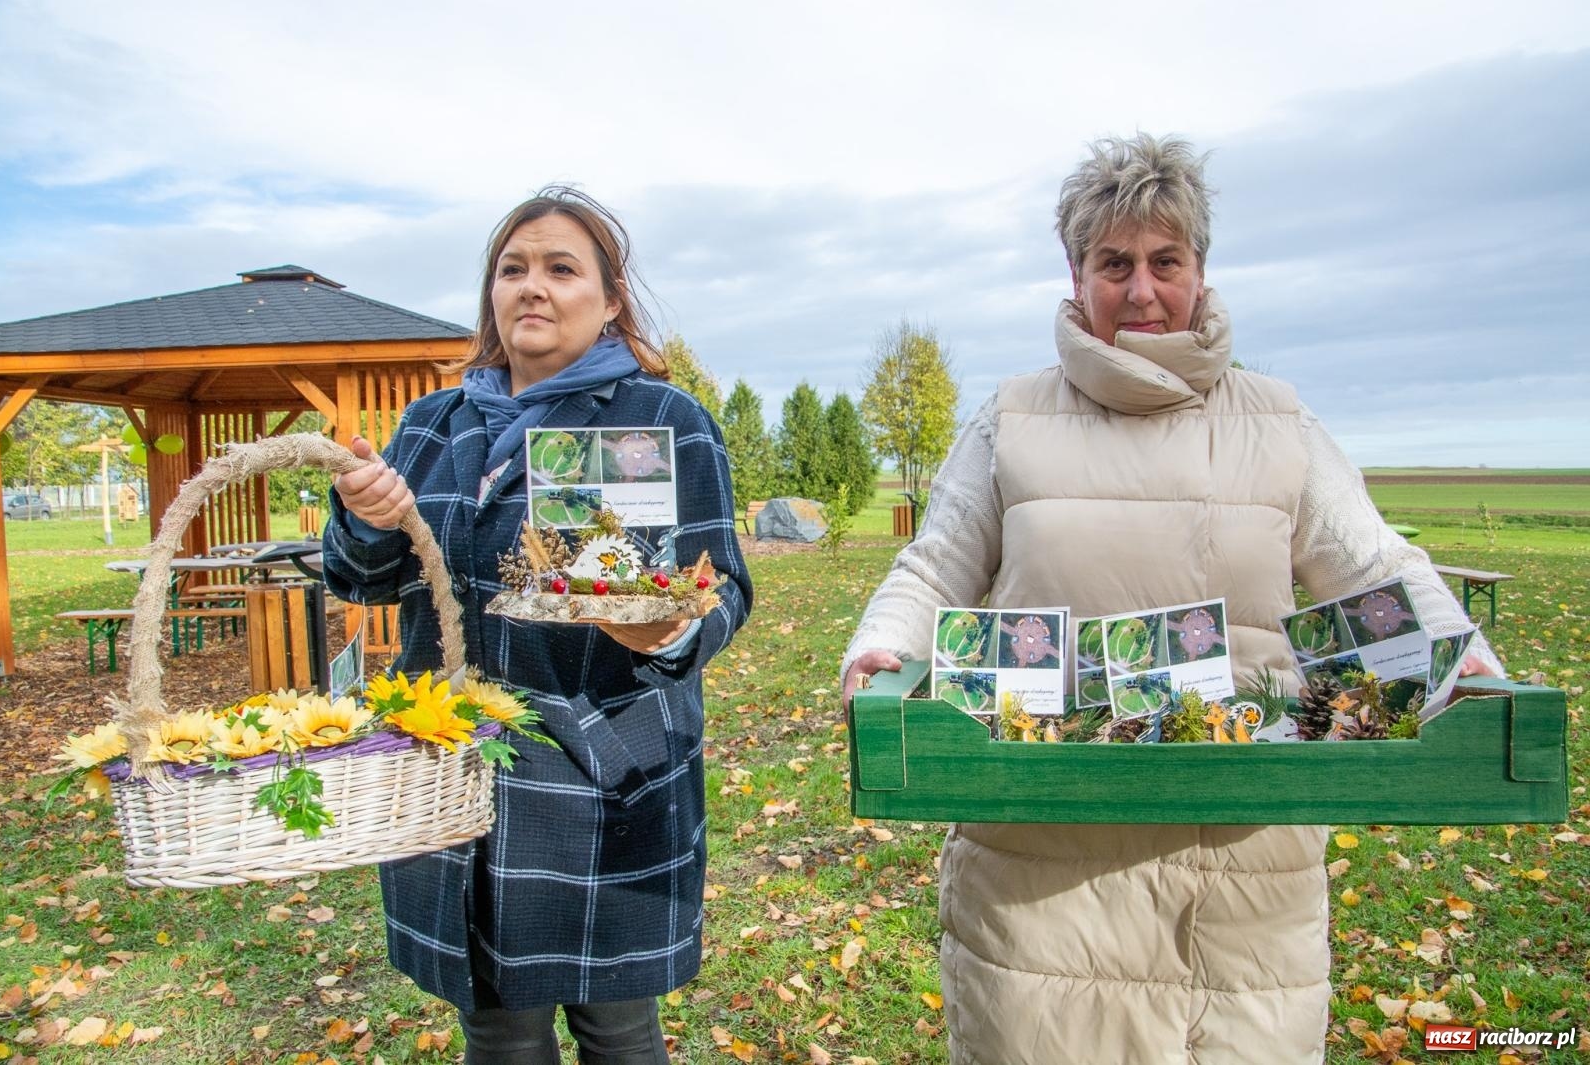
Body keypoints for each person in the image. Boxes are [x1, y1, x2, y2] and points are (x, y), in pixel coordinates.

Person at [839, 134, 1503, 1064]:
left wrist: (1465, 662)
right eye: (1114, 264)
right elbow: (935, 566)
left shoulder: (1279, 422)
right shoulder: (1012, 418)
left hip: (1247, 871)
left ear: (1201, 270)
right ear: (1076, 278)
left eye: (1166, 261)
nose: (1142, 290)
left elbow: (1373, 567)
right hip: (1042, 870)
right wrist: (880, 648)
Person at [324, 186, 752, 1064]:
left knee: (616, 1028)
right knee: (497, 1030)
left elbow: (726, 587)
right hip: (452, 770)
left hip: (604, 772)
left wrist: (669, 634)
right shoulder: (432, 425)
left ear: (611, 299)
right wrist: (366, 520)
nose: (533, 287)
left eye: (561, 269)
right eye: (513, 269)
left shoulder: (664, 422)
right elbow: (368, 581)